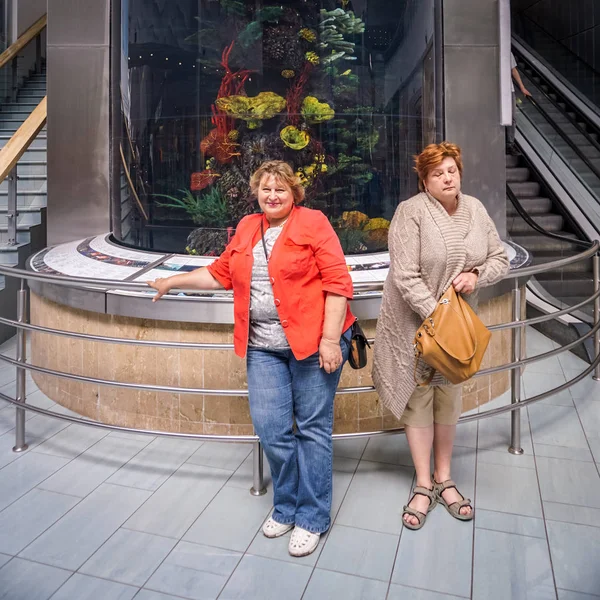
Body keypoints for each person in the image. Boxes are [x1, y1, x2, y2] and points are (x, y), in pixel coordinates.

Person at [148, 160, 355, 556]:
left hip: (313, 345)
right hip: (262, 346)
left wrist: (331, 339)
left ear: (294, 192)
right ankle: (286, 505)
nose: (272, 195)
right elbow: (219, 273)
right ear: (256, 192)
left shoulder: (313, 222)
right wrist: (173, 281)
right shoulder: (247, 227)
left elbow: (337, 283)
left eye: (280, 188)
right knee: (272, 428)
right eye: (265, 189)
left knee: (312, 429)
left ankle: (311, 517)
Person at [372, 142, 509, 530]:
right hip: (415, 327)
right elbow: (405, 275)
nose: (447, 177)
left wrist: (477, 275)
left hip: (456, 331)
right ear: (424, 180)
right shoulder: (410, 213)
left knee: (448, 400)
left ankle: (445, 477)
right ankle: (422, 483)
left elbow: (499, 257)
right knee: (418, 403)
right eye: (438, 173)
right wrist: (438, 317)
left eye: (452, 170)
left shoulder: (476, 210)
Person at [507, 51, 533, 153]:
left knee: (512, 118)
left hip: (509, 90)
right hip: (496, 91)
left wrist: (522, 88)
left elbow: (513, 70)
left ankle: (510, 144)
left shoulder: (508, 53)